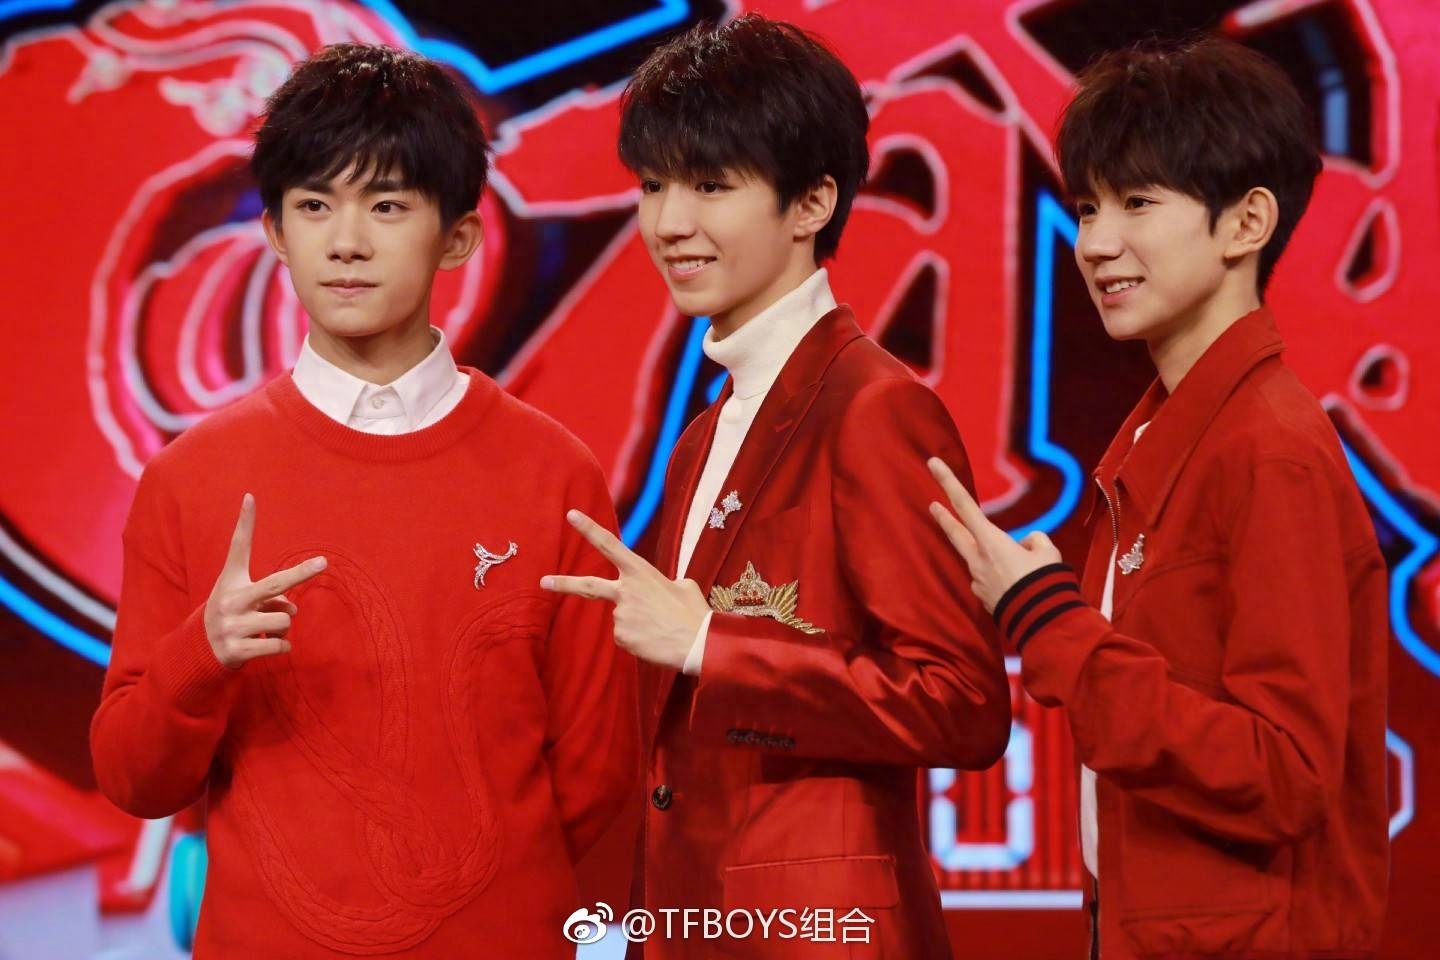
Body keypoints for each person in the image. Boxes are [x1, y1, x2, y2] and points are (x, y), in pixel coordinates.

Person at [91, 43, 637, 958]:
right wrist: (201, 656)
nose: (346, 242)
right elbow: (130, 777)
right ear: (275, 232)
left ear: (458, 236)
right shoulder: (192, 478)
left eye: (386, 206)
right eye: (314, 206)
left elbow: (594, 774)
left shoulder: (555, 476)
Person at [541, 14, 1010, 958]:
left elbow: (960, 700)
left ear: (812, 203)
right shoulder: (707, 433)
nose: (669, 223)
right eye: (653, 185)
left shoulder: (873, 408)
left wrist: (710, 645)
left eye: (711, 185)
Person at [928, 36, 1388, 960]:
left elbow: (1283, 772)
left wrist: (1051, 624)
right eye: (1087, 207)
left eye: (1138, 202)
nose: (1097, 243)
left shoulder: (1268, 450)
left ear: (1246, 222)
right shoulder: (1164, 436)